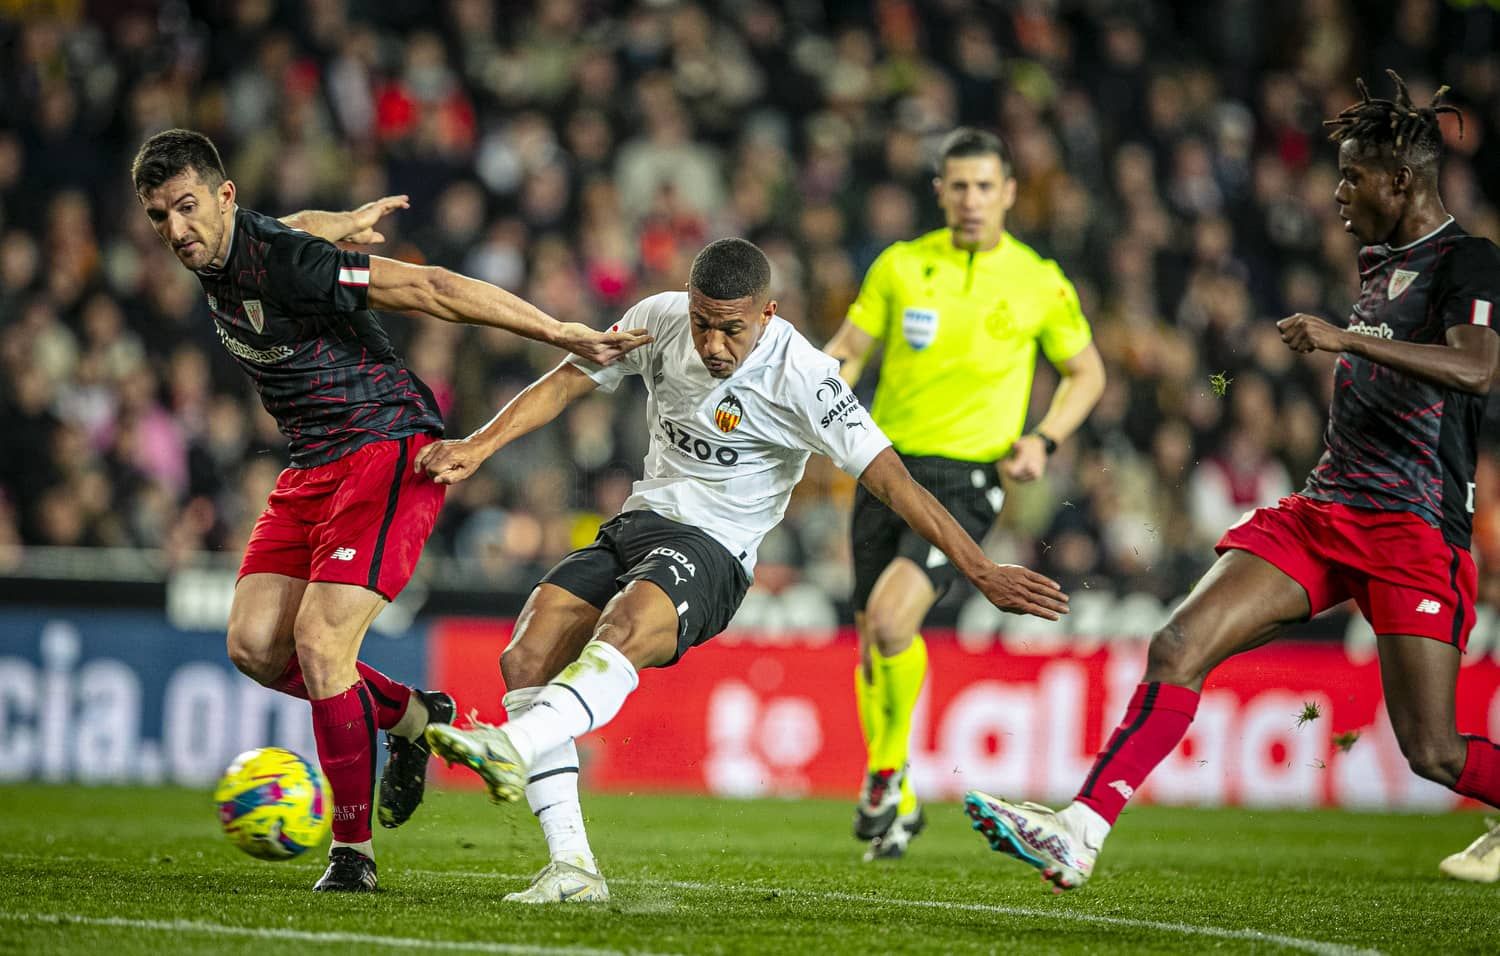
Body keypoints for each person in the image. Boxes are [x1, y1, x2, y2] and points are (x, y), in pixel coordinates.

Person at [962, 72, 1500, 892]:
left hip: (1414, 531)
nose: (1338, 189)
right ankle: (1080, 828)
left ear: (1403, 181)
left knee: (1433, 752)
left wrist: (1344, 343)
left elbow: (1477, 368)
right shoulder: (1376, 261)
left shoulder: (1469, 259)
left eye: (1354, 175)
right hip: (1325, 510)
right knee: (1176, 644)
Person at [414, 237, 1070, 902]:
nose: (714, 344)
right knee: (525, 657)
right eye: (704, 324)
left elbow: (895, 483)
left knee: (626, 623)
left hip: (715, 549)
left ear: (767, 314)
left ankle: (513, 743)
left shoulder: (806, 378)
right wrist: (477, 445)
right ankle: (574, 869)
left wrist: (981, 569)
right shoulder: (660, 318)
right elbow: (567, 379)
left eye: (732, 328)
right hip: (641, 522)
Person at [131, 128, 648, 892]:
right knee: (252, 646)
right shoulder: (235, 246)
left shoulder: (284, 261)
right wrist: (337, 219)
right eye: (158, 218)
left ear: (224, 196)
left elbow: (433, 287)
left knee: (321, 641)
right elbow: (294, 223)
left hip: (387, 448)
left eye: (185, 208)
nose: (176, 231)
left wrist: (555, 331)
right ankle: (414, 717)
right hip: (312, 467)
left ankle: (352, 854)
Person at [822, 127, 1105, 860]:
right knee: (870, 646)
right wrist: (818, 393)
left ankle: (884, 772)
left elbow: (1088, 374)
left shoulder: (1040, 281)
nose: (972, 199)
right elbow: (849, 351)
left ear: (1010, 192)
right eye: (959, 186)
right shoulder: (901, 265)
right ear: (939, 191)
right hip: (882, 466)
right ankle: (902, 798)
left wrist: (1042, 440)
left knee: (890, 619)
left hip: (968, 480)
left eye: (985, 186)